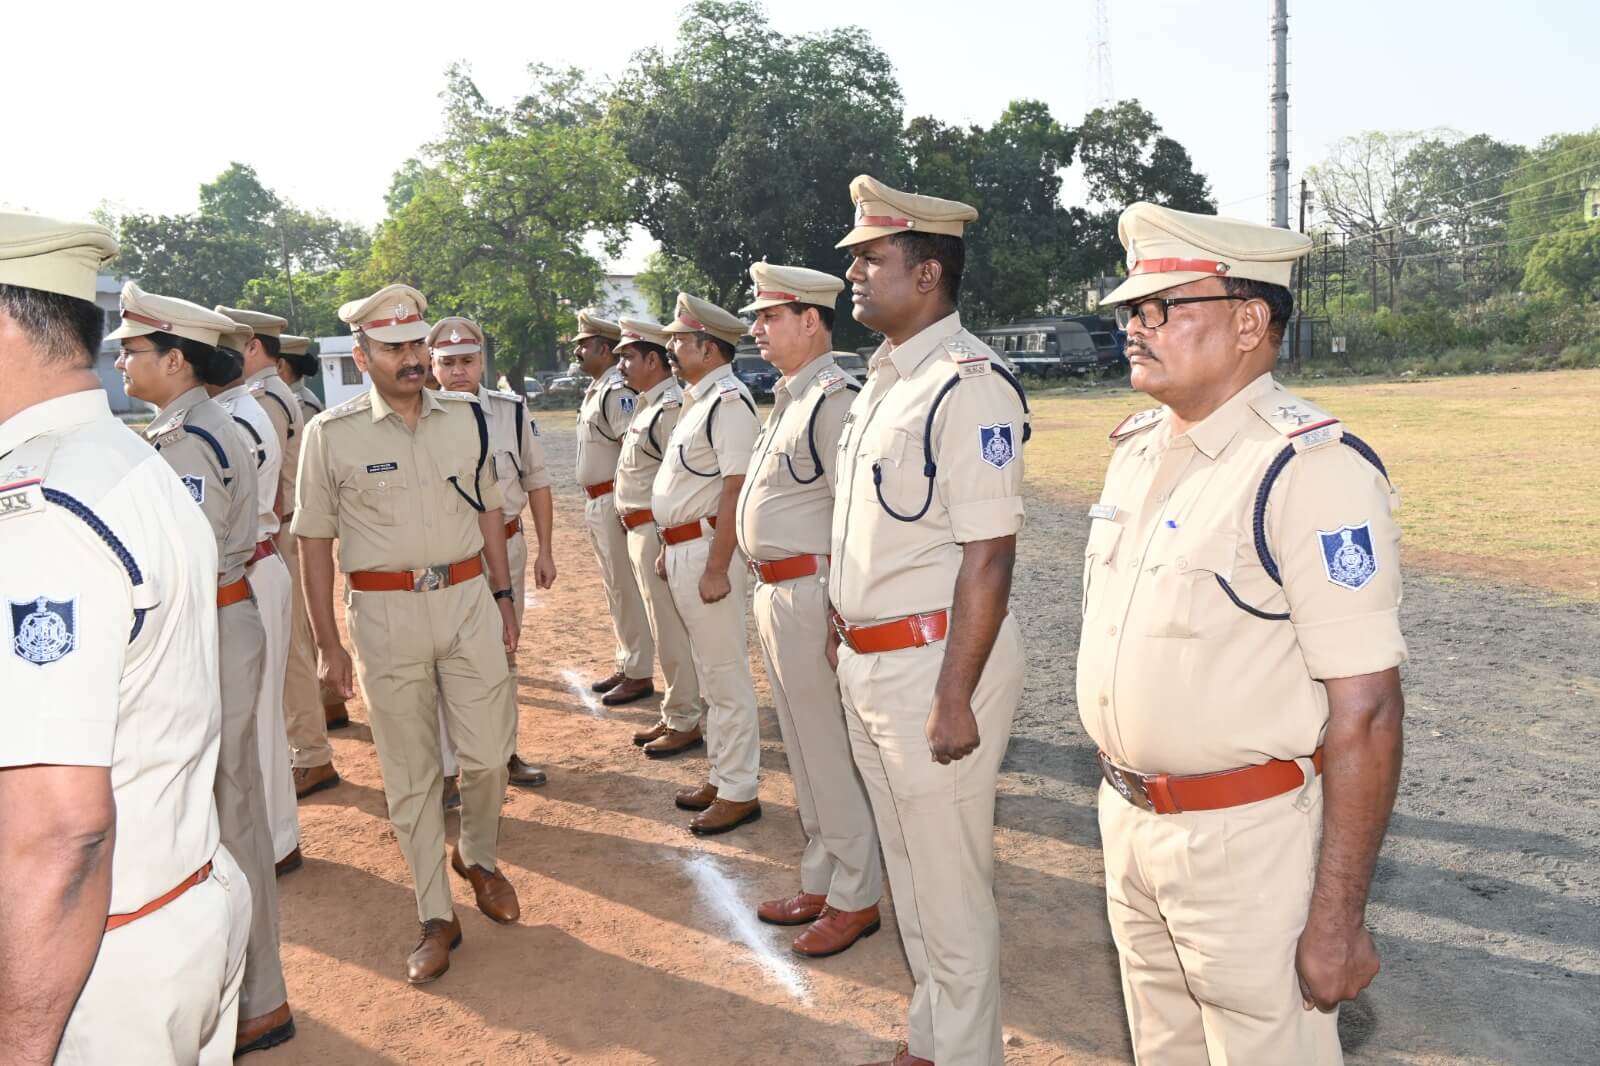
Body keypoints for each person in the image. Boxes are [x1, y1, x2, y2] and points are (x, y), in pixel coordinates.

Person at [1079, 202, 1407, 1065]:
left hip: (1247, 848)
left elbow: (1369, 710)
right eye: (1131, 310)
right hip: (1129, 821)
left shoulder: (1309, 469)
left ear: (1250, 323)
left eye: (1162, 308)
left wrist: (1337, 918)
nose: (1135, 328)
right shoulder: (1138, 451)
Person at [0, 210, 250, 1064]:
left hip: (89, 963)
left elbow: (62, 830)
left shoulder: (38, 510)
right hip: (160, 910)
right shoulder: (116, 460)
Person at [830, 175, 1029, 1066]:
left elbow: (990, 556)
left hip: (935, 664)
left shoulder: (968, 385)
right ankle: (934, 1036)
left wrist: (955, 695)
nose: (854, 274)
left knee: (949, 884)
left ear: (927, 273)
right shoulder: (884, 379)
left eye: (871, 259)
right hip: (873, 660)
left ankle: (968, 1052)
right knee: (911, 869)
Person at [294, 283, 522, 984]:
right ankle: (436, 914)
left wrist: (503, 594)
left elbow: (487, 507)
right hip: (384, 613)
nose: (413, 358)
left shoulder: (467, 417)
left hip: (467, 601)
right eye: (394, 347)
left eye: (417, 343)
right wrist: (328, 643)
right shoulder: (330, 435)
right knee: (412, 774)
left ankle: (476, 854)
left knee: (489, 755)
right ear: (362, 356)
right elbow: (312, 542)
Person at [111, 285, 295, 1055]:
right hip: (218, 617)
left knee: (227, 809)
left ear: (176, 359)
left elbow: (186, 557)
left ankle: (255, 997)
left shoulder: (190, 438)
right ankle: (252, 992)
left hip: (210, 625)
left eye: (132, 350)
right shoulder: (187, 428)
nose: (121, 363)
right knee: (227, 802)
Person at [735, 262, 883, 952]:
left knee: (827, 746)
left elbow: (854, 519)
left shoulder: (834, 398)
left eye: (770, 317)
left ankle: (856, 894)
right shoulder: (791, 396)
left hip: (811, 592)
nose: (757, 329)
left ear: (813, 320)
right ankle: (824, 876)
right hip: (777, 591)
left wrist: (837, 615)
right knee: (803, 746)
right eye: (757, 318)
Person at [428, 315, 556, 802]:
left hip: (507, 544)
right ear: (433, 365)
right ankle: (447, 769)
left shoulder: (510, 412)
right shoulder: (419, 416)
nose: (458, 371)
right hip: (448, 554)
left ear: (481, 361)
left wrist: (546, 550)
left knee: (504, 650)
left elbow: (536, 481)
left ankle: (505, 752)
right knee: (444, 657)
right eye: (448, 363)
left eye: (467, 361)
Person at [655, 293, 765, 835]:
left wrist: (718, 566)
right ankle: (722, 776)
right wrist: (667, 545)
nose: (671, 348)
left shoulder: (729, 402)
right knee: (708, 671)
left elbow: (734, 489)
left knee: (725, 676)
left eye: (679, 340)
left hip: (707, 552)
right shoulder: (697, 400)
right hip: (685, 548)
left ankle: (740, 789)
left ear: (708, 348)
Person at [212, 320, 303, 876]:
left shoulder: (233, 418)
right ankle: (273, 840)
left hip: (247, 569)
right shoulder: (235, 411)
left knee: (257, 718)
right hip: (253, 564)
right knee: (256, 716)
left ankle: (272, 844)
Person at [610, 318, 706, 757]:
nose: (621, 365)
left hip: (655, 530)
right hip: (639, 529)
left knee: (669, 629)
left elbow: (677, 480)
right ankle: (675, 711)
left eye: (628, 357)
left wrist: (666, 540)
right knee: (659, 626)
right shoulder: (648, 404)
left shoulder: (669, 407)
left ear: (653, 360)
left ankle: (685, 718)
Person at [275, 333, 350, 789]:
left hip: (289, 528)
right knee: (304, 631)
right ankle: (329, 703)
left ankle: (311, 750)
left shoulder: (287, 404)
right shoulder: (304, 403)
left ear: (281, 366)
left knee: (295, 644)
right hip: (295, 526)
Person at [570, 308, 654, 706]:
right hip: (597, 500)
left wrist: (624, 505)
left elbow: (630, 452)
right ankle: (628, 661)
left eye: (584, 345)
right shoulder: (599, 389)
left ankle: (638, 671)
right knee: (615, 588)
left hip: (612, 499)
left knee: (626, 587)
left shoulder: (616, 392)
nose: (578, 352)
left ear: (604, 349)